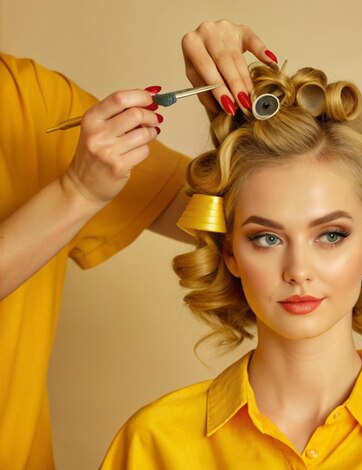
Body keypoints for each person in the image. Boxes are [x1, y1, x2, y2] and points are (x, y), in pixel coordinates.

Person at [99, 59, 362, 468]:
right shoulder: (154, 445)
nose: (298, 270)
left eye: (331, 235)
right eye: (267, 238)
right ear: (230, 253)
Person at [0, 20, 277, 469]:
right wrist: (77, 192)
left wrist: (237, 123)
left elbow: (230, 218)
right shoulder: (151, 441)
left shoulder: (27, 99)